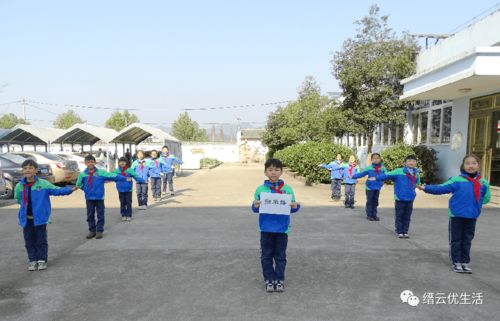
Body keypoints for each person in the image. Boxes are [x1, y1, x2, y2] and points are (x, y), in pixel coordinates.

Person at [418, 154, 490, 273]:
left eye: (474, 163)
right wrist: (426, 188)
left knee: (467, 240)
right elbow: (441, 188)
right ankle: (456, 262)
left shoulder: (483, 183)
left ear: (479, 165)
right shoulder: (456, 180)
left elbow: (486, 198)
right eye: (467, 163)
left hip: (472, 215)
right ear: (463, 166)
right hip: (456, 215)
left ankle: (465, 262)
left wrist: (473, 204)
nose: (470, 166)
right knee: (456, 240)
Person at [14, 159, 77, 271]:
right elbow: (18, 200)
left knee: (41, 240)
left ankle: (42, 260)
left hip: (40, 219)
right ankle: (32, 260)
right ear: (23, 171)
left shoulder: (43, 184)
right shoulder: (19, 186)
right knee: (29, 241)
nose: (27, 170)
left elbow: (56, 190)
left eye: (30, 168)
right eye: (25, 168)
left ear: (36, 170)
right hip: (26, 220)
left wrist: (69, 190)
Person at [251, 158, 301, 293]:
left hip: (282, 229)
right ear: (265, 172)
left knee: (280, 256)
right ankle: (269, 279)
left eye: (277, 170)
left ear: (281, 172)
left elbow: (293, 206)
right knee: (266, 256)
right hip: (266, 229)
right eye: (270, 170)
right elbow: (255, 208)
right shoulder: (261, 189)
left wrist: (296, 206)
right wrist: (255, 205)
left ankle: (279, 279)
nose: (273, 173)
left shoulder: (287, 189)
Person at [76, 154, 127, 239]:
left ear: (95, 162)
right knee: (90, 215)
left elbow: (112, 176)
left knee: (100, 214)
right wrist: (85, 189)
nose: (90, 164)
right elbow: (78, 184)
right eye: (88, 162)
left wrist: (123, 178)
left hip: (99, 197)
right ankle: (92, 231)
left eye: (92, 162)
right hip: (89, 198)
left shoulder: (101, 173)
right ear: (85, 163)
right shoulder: (82, 174)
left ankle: (99, 231)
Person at [375, 155, 420, 238]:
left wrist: (420, 187)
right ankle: (399, 231)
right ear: (405, 163)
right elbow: (387, 175)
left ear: (416, 163)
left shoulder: (416, 173)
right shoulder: (398, 171)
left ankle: (405, 231)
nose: (411, 162)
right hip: (400, 197)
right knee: (399, 215)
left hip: (410, 198)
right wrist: (377, 177)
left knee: (407, 216)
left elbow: (417, 183)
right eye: (409, 160)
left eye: (413, 161)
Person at [352, 153, 387, 221]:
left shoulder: (383, 168)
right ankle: (369, 215)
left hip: (377, 188)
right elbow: (361, 174)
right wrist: (353, 176)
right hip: (370, 188)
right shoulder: (369, 168)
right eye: (374, 158)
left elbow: (386, 175)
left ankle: (374, 215)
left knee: (375, 202)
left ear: (380, 159)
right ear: (371, 160)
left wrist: (381, 179)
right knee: (370, 201)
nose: (376, 159)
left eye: (377, 158)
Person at [113, 157, 145, 222]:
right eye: (120, 161)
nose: (122, 163)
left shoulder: (129, 170)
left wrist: (143, 181)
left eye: (124, 161)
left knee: (128, 202)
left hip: (128, 190)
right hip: (120, 189)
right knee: (122, 202)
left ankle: (129, 215)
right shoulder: (116, 171)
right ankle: (123, 215)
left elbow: (136, 176)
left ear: (126, 163)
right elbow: (113, 177)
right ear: (118, 163)